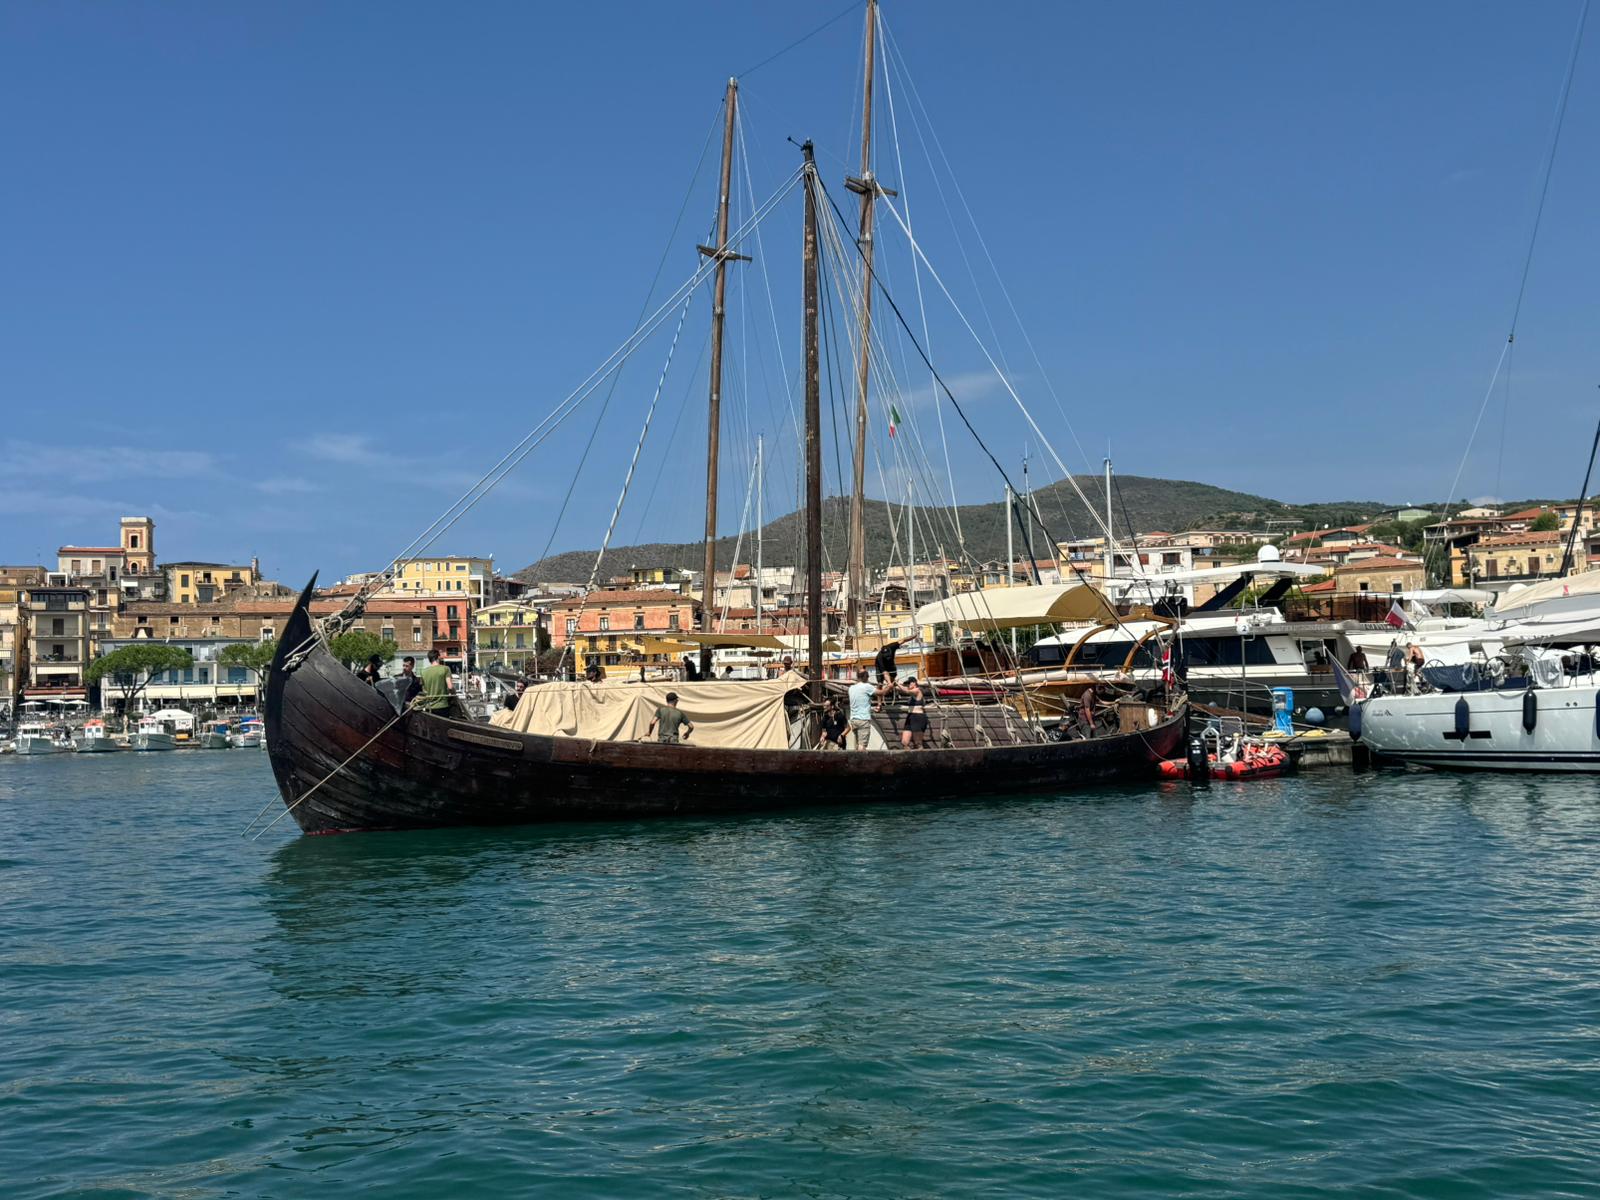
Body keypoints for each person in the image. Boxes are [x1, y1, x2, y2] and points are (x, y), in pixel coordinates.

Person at [416, 649, 454, 714]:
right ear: (438, 657)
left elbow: (423, 690)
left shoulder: (423, 672)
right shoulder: (445, 669)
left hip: (429, 707)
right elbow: (450, 687)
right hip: (442, 706)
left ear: (429, 659)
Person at [846, 668, 876, 750]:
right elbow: (881, 692)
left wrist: (872, 708)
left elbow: (860, 703)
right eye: (867, 676)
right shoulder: (867, 686)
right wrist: (889, 687)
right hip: (863, 720)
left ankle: (857, 761)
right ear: (864, 676)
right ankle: (861, 762)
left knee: (857, 744)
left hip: (854, 720)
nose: (868, 678)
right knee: (862, 746)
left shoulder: (851, 688)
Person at [897, 676, 929, 749]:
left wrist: (898, 684)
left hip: (918, 717)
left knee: (918, 743)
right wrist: (895, 684)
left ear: (914, 683)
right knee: (904, 742)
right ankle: (908, 758)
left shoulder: (917, 690)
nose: (908, 685)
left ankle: (921, 757)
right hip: (910, 717)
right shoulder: (911, 694)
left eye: (909, 683)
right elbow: (903, 689)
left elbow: (906, 691)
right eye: (907, 684)